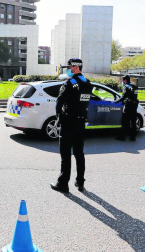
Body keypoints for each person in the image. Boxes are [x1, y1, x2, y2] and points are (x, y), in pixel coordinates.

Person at [50, 58, 93, 193]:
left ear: (75, 67)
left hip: (68, 122)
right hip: (81, 123)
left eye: (69, 67)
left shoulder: (69, 83)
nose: (68, 69)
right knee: (79, 154)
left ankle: (63, 184)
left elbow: (59, 102)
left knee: (65, 154)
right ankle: (80, 182)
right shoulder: (88, 84)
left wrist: (58, 118)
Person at [115, 75, 139, 141]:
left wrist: (116, 101)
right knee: (133, 122)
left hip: (128, 106)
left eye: (123, 80)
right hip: (134, 106)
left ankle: (122, 137)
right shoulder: (135, 86)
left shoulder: (126, 87)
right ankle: (133, 137)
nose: (122, 81)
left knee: (125, 122)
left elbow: (123, 97)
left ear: (125, 80)